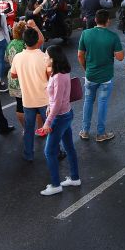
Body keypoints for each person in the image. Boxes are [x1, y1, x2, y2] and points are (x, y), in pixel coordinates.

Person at [38, 45, 81, 196]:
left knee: (49, 151)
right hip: (66, 114)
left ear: (53, 58)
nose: (44, 58)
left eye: (46, 56)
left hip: (60, 118)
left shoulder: (58, 77)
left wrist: (47, 122)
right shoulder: (62, 73)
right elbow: (57, 100)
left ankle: (56, 185)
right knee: (69, 147)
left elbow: (57, 102)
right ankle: (75, 178)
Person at [77, 9, 124, 142]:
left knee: (88, 102)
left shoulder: (85, 34)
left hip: (90, 75)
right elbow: (120, 57)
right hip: (106, 77)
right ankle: (101, 133)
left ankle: (85, 131)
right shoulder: (112, 36)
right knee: (102, 104)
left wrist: (86, 69)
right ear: (108, 21)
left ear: (95, 20)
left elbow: (80, 55)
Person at [10, 22, 50, 161]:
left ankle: (28, 154)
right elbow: (49, 75)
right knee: (50, 127)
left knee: (28, 129)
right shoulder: (44, 56)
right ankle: (56, 152)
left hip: (27, 100)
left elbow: (13, 75)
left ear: (24, 41)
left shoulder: (18, 57)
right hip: (44, 99)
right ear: (37, 41)